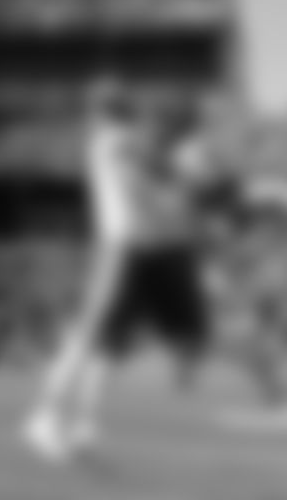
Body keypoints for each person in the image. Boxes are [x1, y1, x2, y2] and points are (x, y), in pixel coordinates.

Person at [22, 86, 214, 462]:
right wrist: (183, 168)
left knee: (108, 346)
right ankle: (44, 417)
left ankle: (84, 425)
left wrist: (180, 168)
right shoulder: (114, 140)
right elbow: (154, 175)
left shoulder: (119, 140)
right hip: (121, 249)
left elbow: (162, 172)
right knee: (87, 333)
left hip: (141, 250)